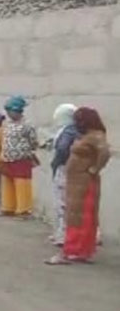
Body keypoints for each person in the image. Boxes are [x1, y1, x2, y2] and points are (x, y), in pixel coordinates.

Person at [46, 107, 111, 265]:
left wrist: (94, 169)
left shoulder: (96, 135)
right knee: (79, 217)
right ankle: (80, 251)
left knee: (78, 217)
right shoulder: (87, 135)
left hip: (84, 182)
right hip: (76, 181)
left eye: (79, 120)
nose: (77, 123)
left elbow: (105, 153)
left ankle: (70, 250)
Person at [0, 96, 39, 218]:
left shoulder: (27, 125)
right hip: (7, 158)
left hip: (21, 159)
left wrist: (26, 151)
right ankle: (8, 207)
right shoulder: (7, 124)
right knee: (8, 182)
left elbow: (33, 141)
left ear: (17, 111)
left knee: (22, 183)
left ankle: (24, 210)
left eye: (10, 111)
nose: (8, 114)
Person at [48, 104, 79, 247]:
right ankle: (62, 233)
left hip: (63, 169)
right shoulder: (74, 130)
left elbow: (62, 149)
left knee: (62, 203)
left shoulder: (69, 131)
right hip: (70, 170)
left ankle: (63, 235)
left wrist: (57, 162)